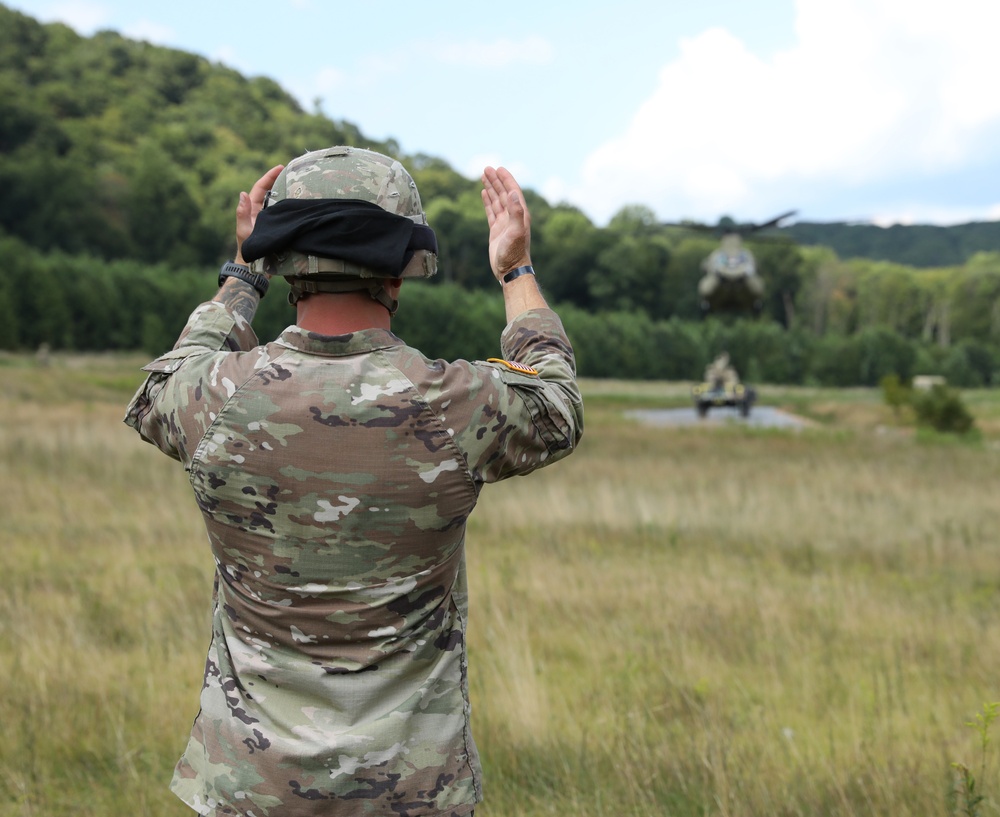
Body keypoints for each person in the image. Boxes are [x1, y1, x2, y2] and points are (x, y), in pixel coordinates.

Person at [124, 146, 584, 817]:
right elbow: (559, 405)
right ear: (399, 273)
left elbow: (163, 379)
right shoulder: (454, 404)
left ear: (284, 264)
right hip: (408, 791)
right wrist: (515, 270)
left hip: (247, 789)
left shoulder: (213, 397)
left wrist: (240, 278)